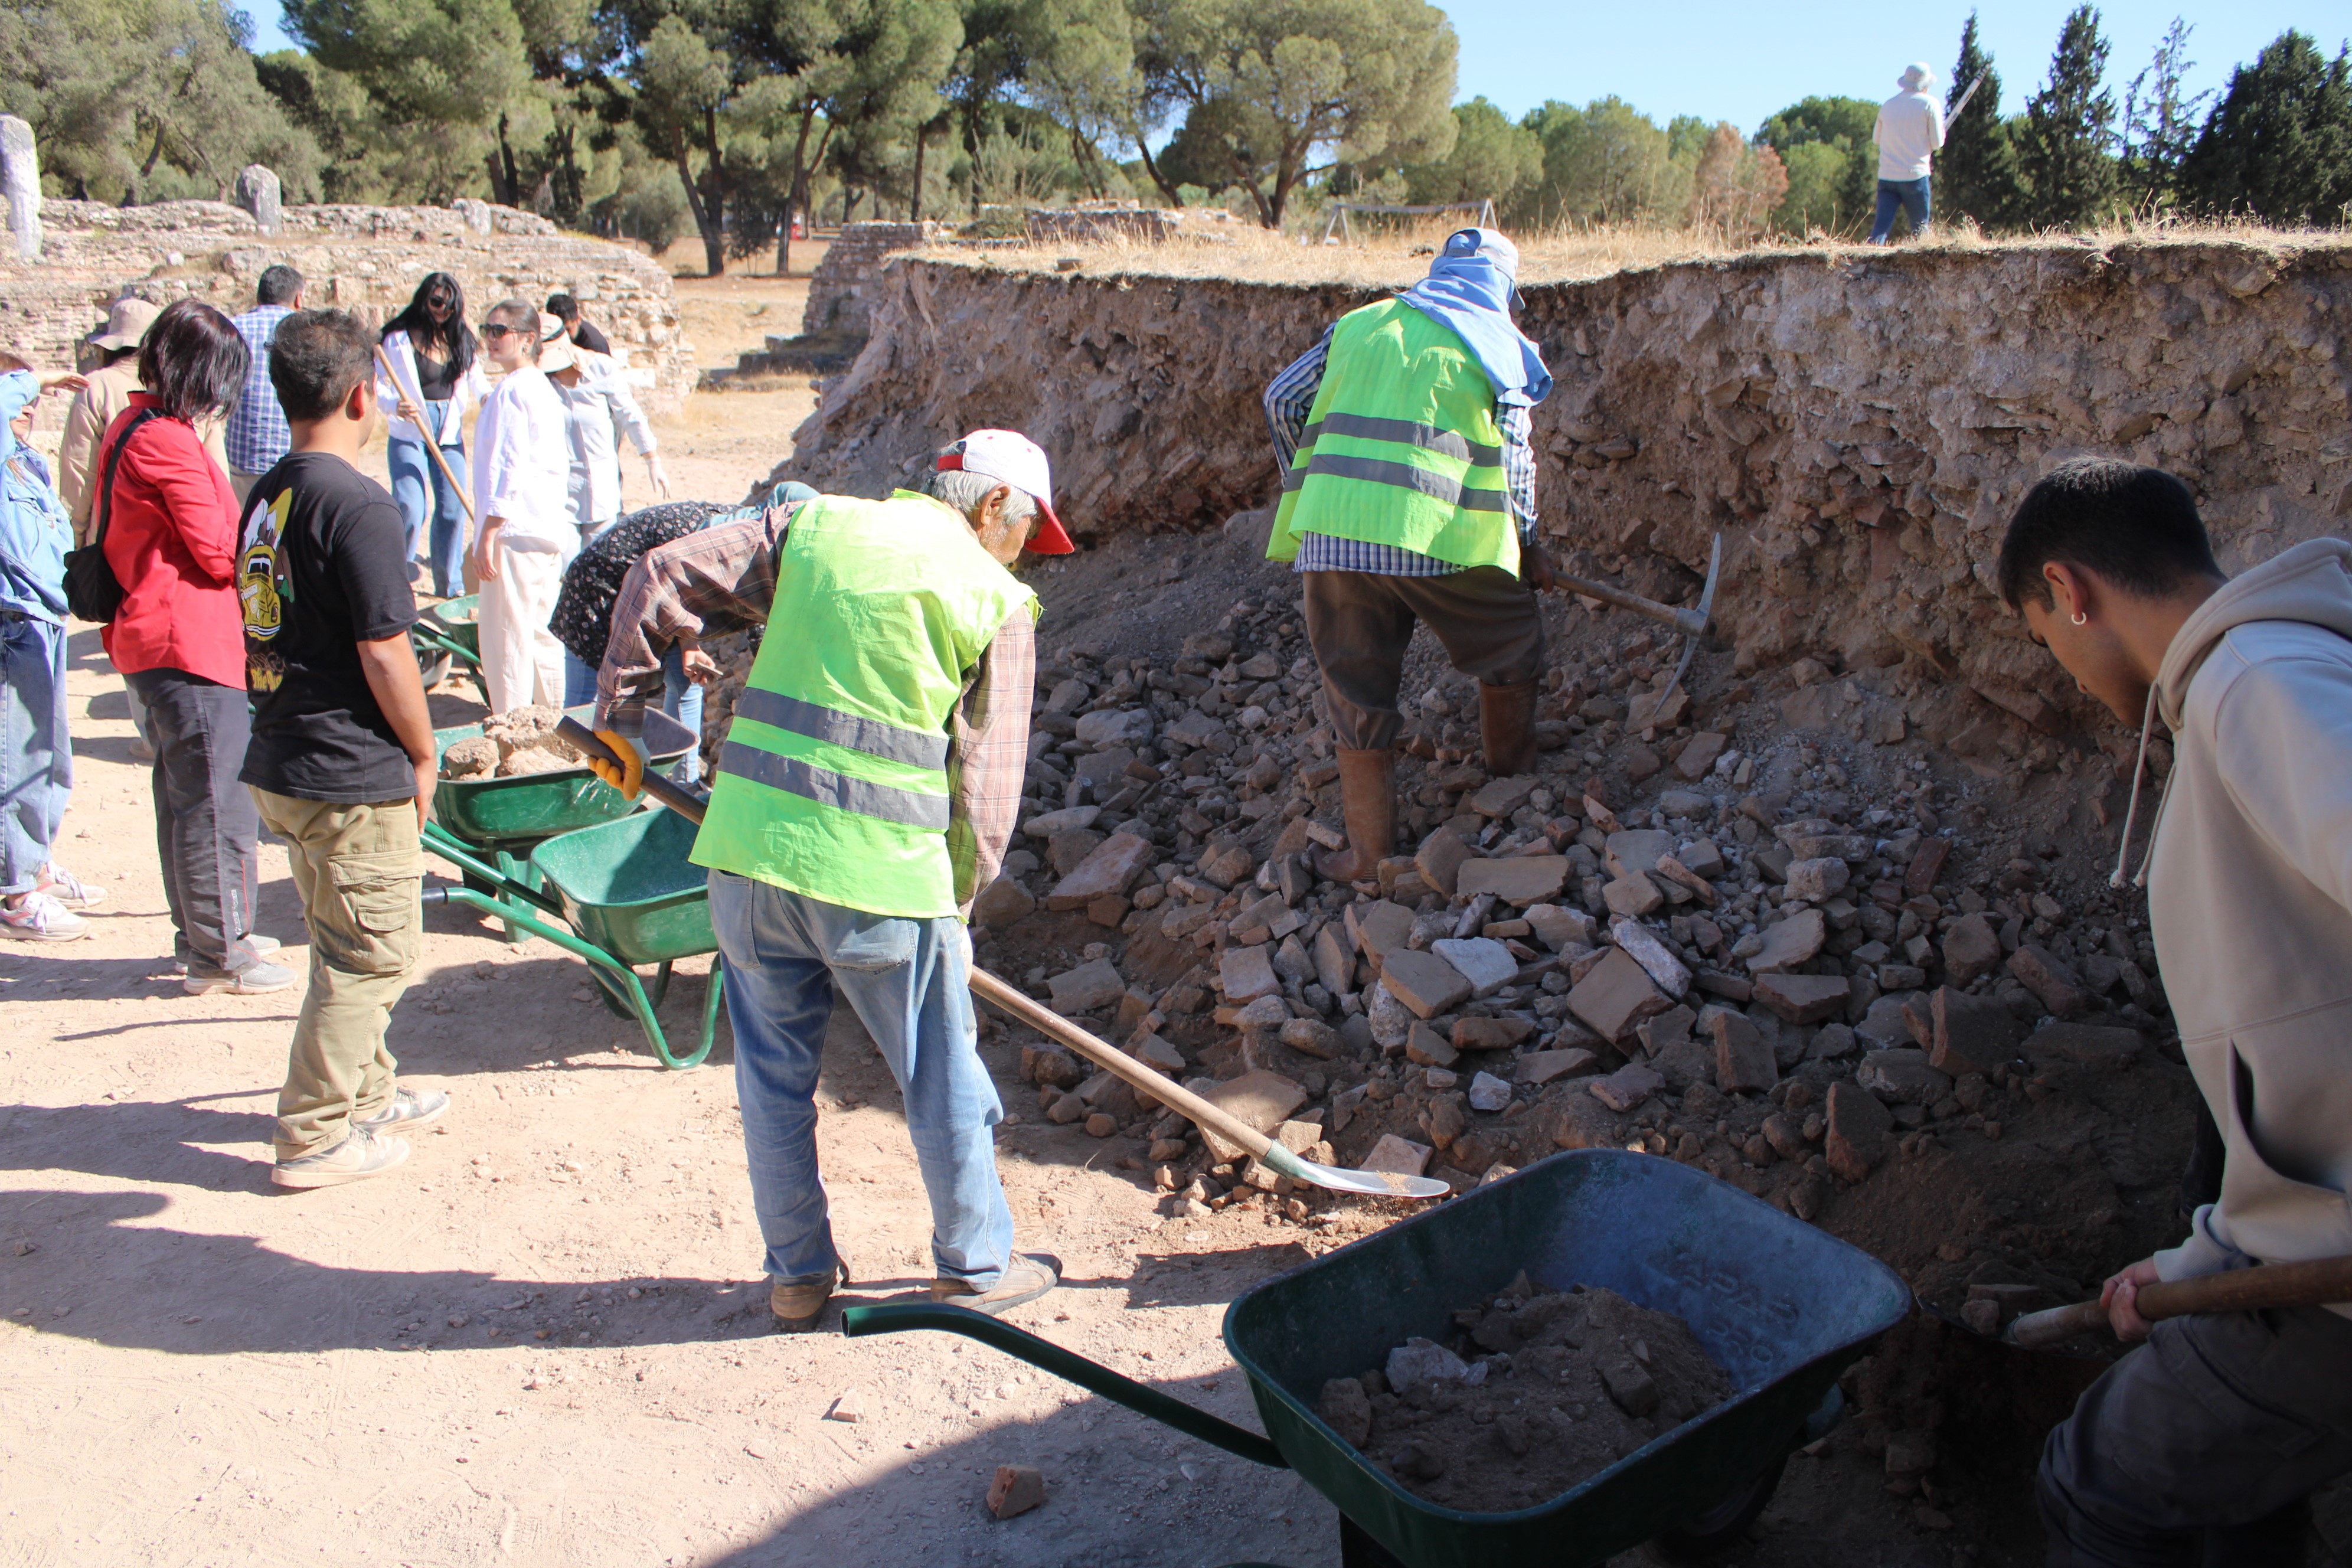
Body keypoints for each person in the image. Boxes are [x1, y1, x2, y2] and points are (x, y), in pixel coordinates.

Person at [586, 430, 1074, 1331]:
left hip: (745, 858)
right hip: (882, 880)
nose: (1022, 552)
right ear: (992, 506)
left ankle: (797, 1277)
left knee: (772, 1077)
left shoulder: (816, 528)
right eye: (1025, 530)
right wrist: (957, 906)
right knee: (939, 1075)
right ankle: (974, 1266)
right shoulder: (994, 598)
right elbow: (987, 787)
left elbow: (659, 570)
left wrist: (618, 719)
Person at [1998, 459, 2352, 1565]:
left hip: (2333, 1290)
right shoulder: (2266, 676)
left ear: (2068, 589)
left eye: (2042, 639)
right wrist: (2207, 1255)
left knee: (2097, 1487)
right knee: (2230, 1502)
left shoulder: (2261, 684)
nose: (2060, 669)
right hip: (2301, 1245)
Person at [1262, 226, 1554, 885]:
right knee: (1511, 641)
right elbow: (1515, 458)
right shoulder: (1496, 343)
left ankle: (1367, 857)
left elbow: (1282, 399)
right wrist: (1531, 544)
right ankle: (1513, 782)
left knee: (1356, 689)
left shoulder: (1362, 323)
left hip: (1334, 538)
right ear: (1504, 289)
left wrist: (1311, 486)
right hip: (1440, 534)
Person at [237, 309, 450, 1187]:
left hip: (285, 751)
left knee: (341, 935)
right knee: (374, 953)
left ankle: (369, 1093)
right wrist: (425, 752)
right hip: (345, 767)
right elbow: (383, 648)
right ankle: (316, 1133)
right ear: (364, 394)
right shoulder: (359, 502)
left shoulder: (271, 491)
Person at [97, 299, 292, 995]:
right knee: (217, 803)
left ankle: (204, 934)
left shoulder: (135, 425)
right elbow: (218, 551)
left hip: (159, 644)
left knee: (185, 798)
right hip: (188, 646)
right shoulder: (167, 441)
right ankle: (222, 951)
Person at [61, 295, 230, 765]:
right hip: (186, 592)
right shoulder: (182, 412)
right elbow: (215, 506)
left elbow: (79, 472)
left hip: (120, 538)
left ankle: (149, 737)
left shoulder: (106, 397)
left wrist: (80, 536)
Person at [1, 355, 107, 941]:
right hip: (13, 619)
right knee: (16, 761)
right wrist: (31, 377)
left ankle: (33, 861)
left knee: (48, 756)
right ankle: (17, 892)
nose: (28, 402)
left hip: (41, 615)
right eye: (14, 391)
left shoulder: (21, 462)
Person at [468, 303, 573, 714]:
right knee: (539, 633)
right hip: (544, 528)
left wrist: (490, 530)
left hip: (513, 530)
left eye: (500, 330)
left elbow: (509, 464)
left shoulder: (513, 389)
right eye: (486, 329)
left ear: (528, 339)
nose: (490, 338)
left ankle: (511, 729)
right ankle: (557, 725)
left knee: (506, 639)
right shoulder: (543, 388)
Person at [60, 296, 230, 543]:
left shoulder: (97, 387)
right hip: (178, 543)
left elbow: (79, 477)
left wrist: (74, 544)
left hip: (112, 542)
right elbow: (218, 479)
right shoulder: (190, 392)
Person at [377, 273, 489, 597]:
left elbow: (476, 378)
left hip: (448, 429)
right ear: (424, 300)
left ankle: (449, 585)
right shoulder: (397, 338)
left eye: (450, 305)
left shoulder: (461, 338)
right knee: (411, 505)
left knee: (453, 508)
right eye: (437, 302)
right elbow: (377, 382)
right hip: (410, 429)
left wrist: (488, 399)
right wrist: (393, 405)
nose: (443, 310)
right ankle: (399, 578)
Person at [546, 318, 669, 548]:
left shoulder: (601, 369)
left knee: (598, 560)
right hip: (560, 489)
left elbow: (631, 416)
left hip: (601, 485)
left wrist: (652, 460)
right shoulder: (539, 383)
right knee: (565, 562)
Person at [224, 265, 305, 502]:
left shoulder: (232, 329)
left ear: (259, 297)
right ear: (298, 299)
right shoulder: (306, 331)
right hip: (293, 454)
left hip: (243, 456)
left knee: (247, 533)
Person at [1870, 63, 1944, 244]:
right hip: (1915, 176)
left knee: (1880, 229)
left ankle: (1866, 264)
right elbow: (1937, 143)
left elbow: (1876, 139)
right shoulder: (1930, 104)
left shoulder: (1888, 106)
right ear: (1925, 85)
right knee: (1920, 232)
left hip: (1887, 176)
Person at [544, 293, 610, 357]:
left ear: (578, 319)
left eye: (568, 330)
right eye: (558, 331)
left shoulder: (595, 347)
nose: (563, 335)